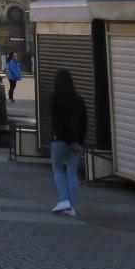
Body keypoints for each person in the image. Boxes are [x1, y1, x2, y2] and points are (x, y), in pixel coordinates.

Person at [49, 68, 88, 216]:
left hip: (59, 141)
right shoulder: (79, 100)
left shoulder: (54, 99)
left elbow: (56, 123)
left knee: (58, 170)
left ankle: (64, 200)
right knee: (72, 172)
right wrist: (78, 141)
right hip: (77, 143)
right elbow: (84, 122)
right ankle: (72, 206)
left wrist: (67, 140)